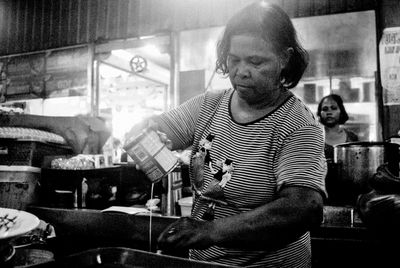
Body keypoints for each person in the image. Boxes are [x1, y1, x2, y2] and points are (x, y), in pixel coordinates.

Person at [125, 1, 327, 267]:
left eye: (256, 61)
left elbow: (304, 208)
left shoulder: (298, 125)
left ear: (284, 59)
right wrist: (144, 135)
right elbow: (157, 128)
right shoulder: (209, 105)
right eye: (234, 60)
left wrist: (209, 231)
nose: (241, 71)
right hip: (204, 262)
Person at [0, 113, 110, 154]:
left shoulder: (85, 129)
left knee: (39, 122)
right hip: (64, 129)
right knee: (39, 122)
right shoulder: (83, 130)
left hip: (62, 127)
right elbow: (72, 137)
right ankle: (7, 119)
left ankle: (8, 119)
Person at [317, 94, 359, 161]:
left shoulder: (352, 138)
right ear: (320, 113)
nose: (329, 112)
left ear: (341, 111)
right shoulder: (313, 138)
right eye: (325, 109)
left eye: (333, 108)